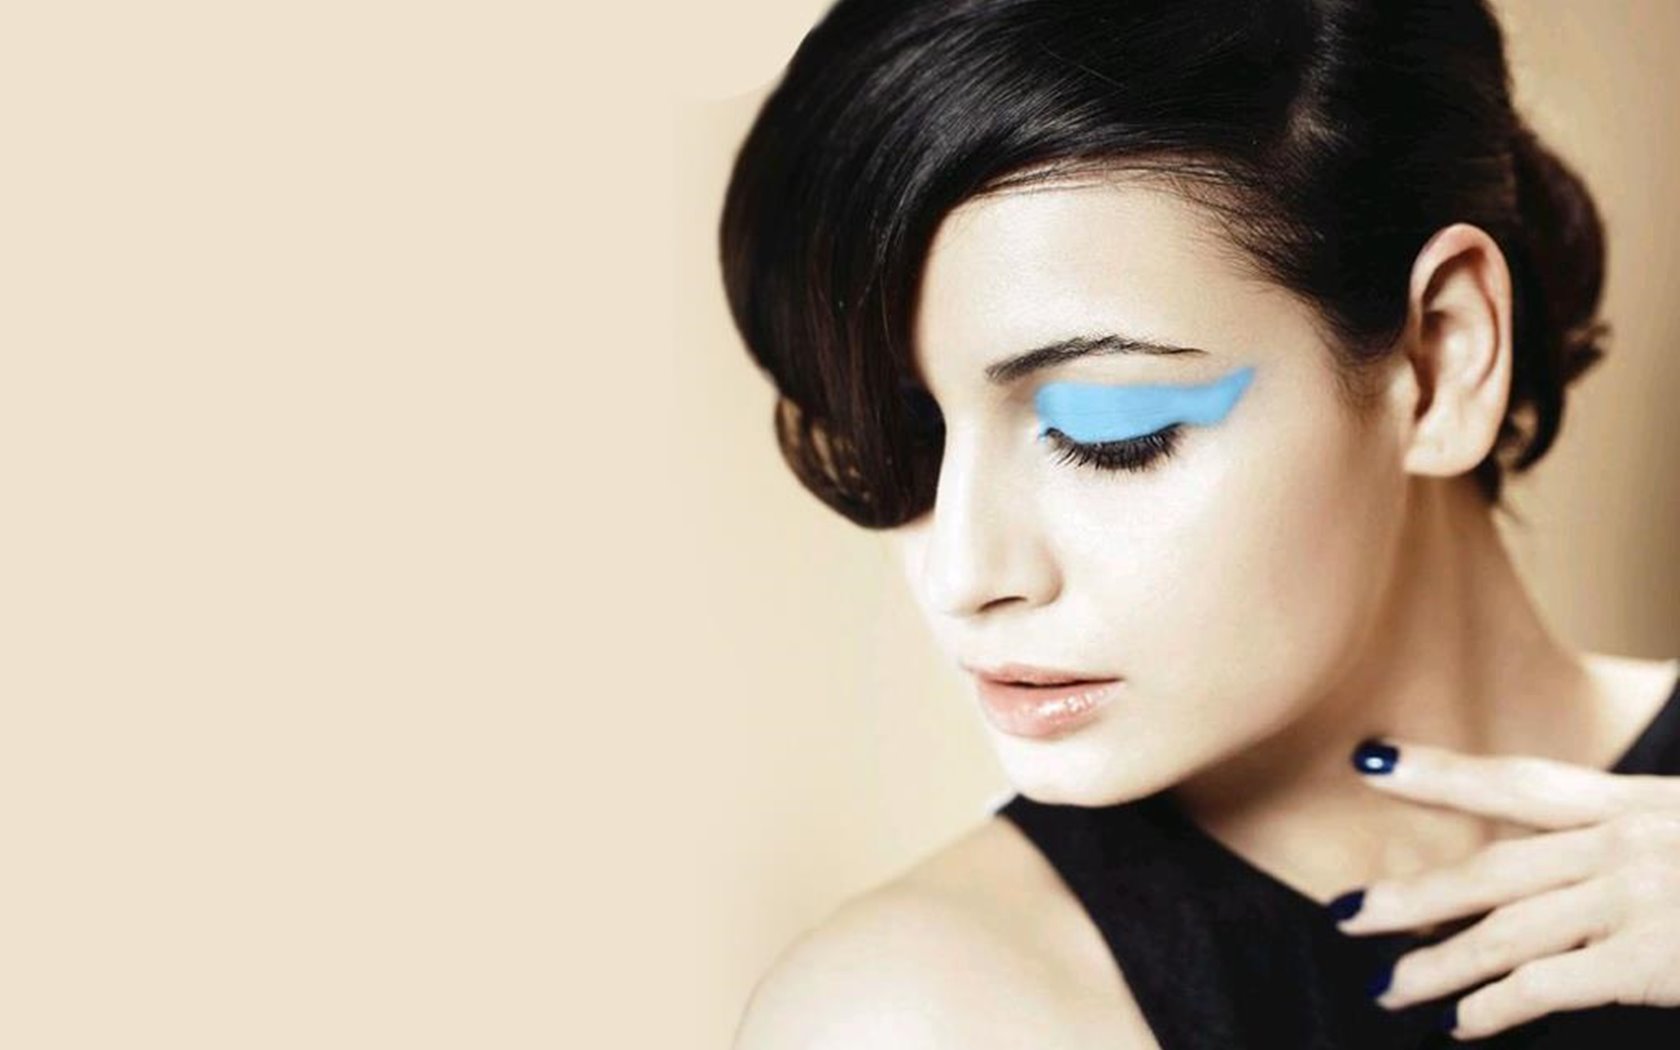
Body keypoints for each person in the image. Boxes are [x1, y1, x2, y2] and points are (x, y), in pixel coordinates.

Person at [717, 1, 1680, 1045]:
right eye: (907, 439)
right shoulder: (924, 1011)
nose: (965, 572)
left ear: (1440, 358)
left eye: (1107, 431)